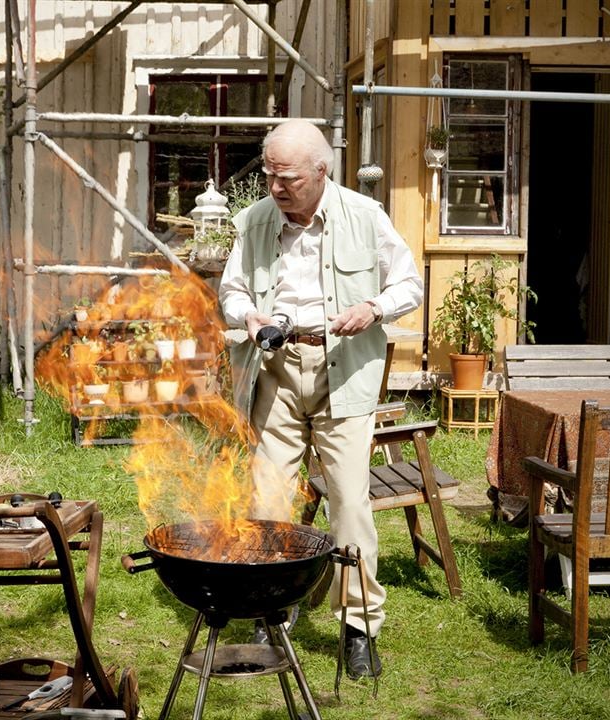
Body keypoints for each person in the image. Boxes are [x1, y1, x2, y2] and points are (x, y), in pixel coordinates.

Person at [218, 119, 423, 680]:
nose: (275, 187)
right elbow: (232, 289)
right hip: (277, 371)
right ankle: (268, 610)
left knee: (350, 507)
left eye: (286, 178)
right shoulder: (255, 222)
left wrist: (375, 309)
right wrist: (249, 315)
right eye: (268, 174)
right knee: (267, 500)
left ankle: (359, 628)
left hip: (345, 371)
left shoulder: (364, 215)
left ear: (320, 172)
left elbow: (409, 284)